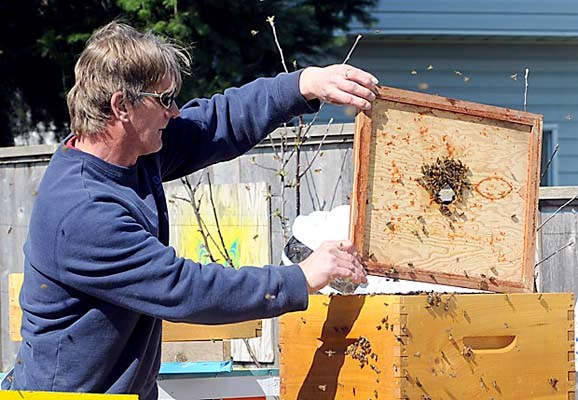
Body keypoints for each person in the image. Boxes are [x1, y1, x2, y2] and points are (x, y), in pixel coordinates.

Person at [1, 21, 376, 400]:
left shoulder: (132, 156)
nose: (174, 111)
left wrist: (302, 84)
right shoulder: (83, 211)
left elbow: (214, 122)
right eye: (164, 99)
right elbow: (186, 290)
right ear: (122, 106)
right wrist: (300, 278)